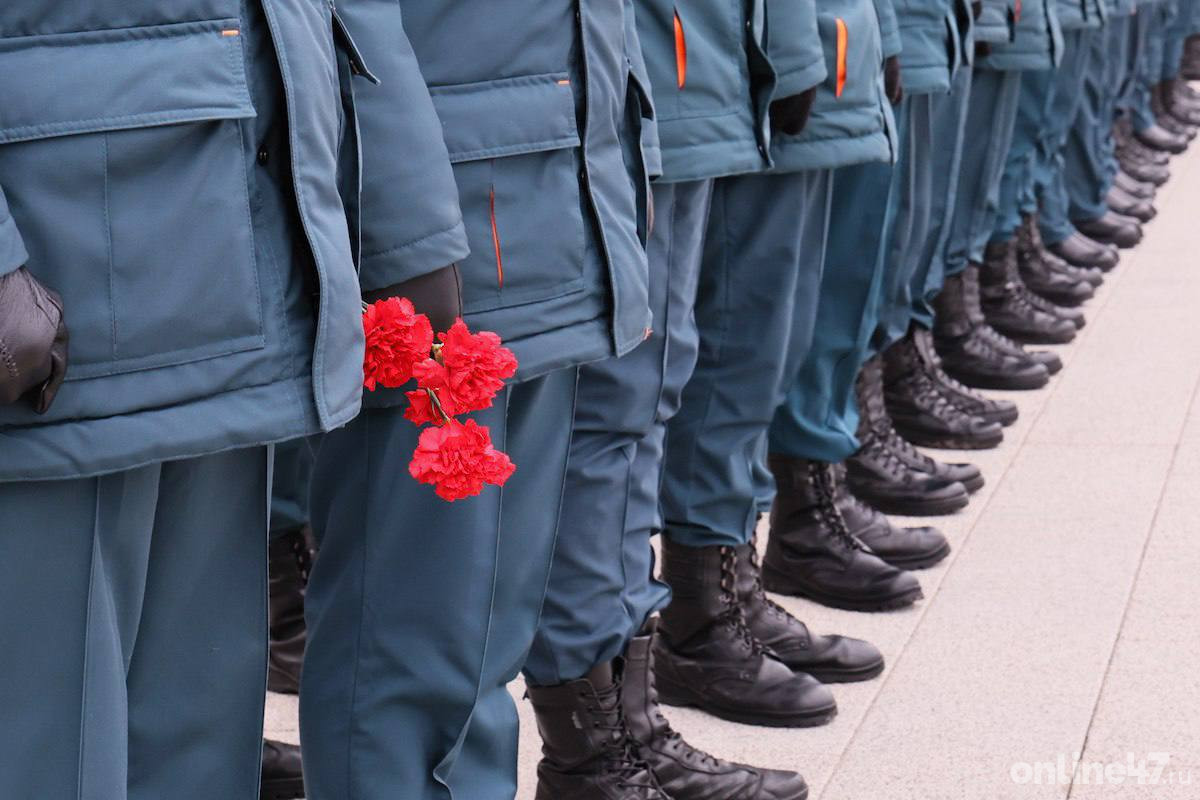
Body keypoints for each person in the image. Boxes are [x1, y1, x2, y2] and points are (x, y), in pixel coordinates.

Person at [0, 1, 402, 796]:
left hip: (236, 292)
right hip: (60, 324)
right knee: (46, 754)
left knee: (197, 753)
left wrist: (401, 226)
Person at [521, 1, 880, 797]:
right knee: (624, 407)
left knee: (681, 375)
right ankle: (604, 728)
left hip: (696, 65)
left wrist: (798, 48)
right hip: (653, 67)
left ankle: (664, 661)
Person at [299, 2, 656, 798]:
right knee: (412, 640)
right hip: (447, 228)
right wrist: (402, 232)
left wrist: (622, 170)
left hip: (548, 202)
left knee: (487, 642)